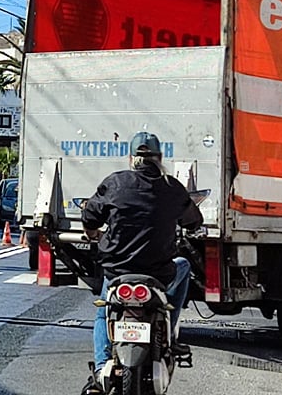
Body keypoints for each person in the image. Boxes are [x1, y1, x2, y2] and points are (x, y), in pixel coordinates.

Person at [79, 132, 204, 395]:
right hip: (158, 273)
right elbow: (194, 221)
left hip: (117, 272)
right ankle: (170, 331)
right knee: (183, 265)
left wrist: (93, 234)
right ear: (159, 158)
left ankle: (101, 368)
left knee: (103, 312)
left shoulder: (115, 183)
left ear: (131, 158)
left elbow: (90, 216)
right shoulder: (172, 187)